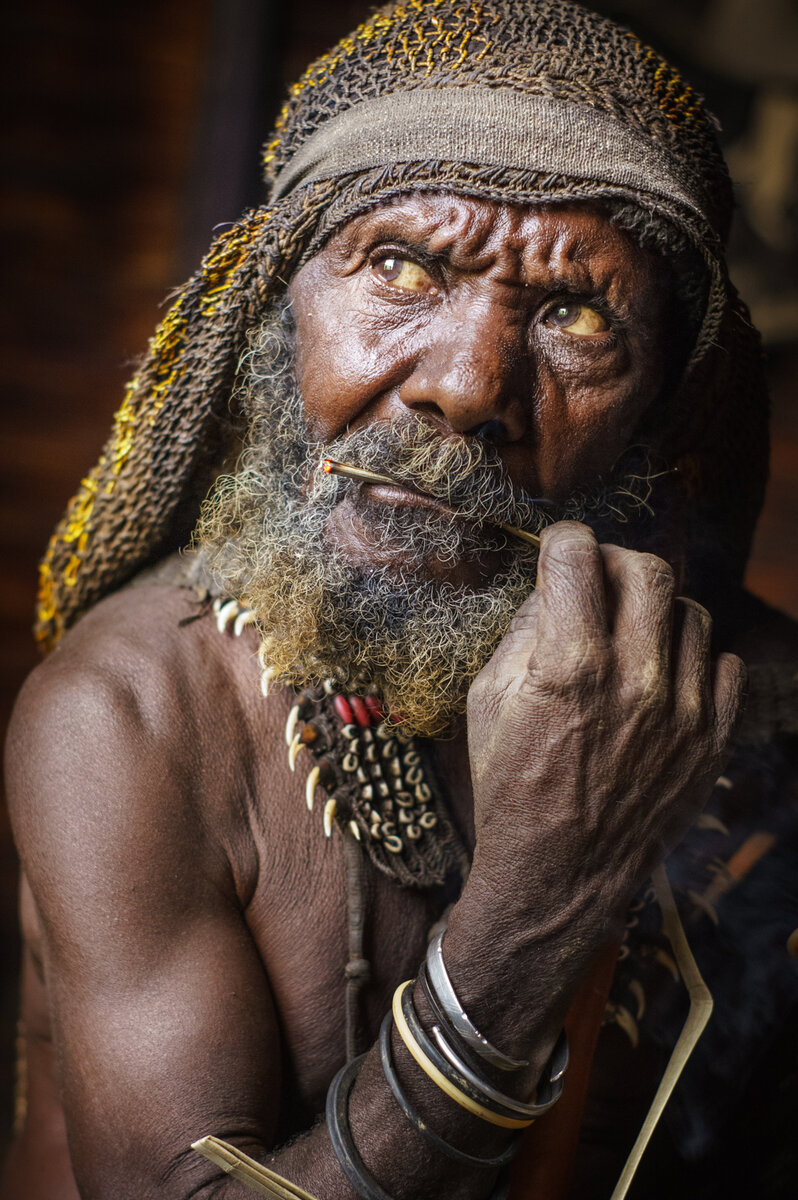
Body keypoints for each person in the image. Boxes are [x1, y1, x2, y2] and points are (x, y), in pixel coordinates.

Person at [4, 2, 798, 1198]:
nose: (470, 388)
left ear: (663, 409)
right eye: (401, 266)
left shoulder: (740, 709)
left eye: (578, 313)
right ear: (277, 304)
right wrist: (531, 918)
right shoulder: (127, 718)